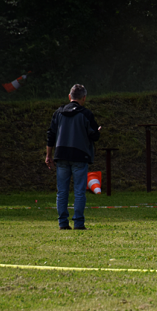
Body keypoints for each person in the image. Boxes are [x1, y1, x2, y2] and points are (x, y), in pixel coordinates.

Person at [45, 84, 101, 230]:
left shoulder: (58, 113)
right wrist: (98, 131)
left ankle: (63, 223)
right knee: (79, 192)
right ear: (84, 98)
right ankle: (78, 223)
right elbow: (94, 136)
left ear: (69, 97)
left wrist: (48, 155)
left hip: (61, 155)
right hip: (79, 156)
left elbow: (50, 135)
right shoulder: (86, 114)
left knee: (62, 192)